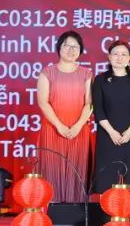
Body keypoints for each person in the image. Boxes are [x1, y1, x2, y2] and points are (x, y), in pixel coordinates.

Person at [36, 30, 94, 203]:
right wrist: (59, 125)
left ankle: (76, 213)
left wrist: (78, 125)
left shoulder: (86, 73)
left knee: (77, 172)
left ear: (80, 50)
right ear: (59, 48)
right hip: (53, 129)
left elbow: (89, 104)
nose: (71, 50)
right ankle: (51, 213)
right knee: (52, 170)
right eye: (67, 45)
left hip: (79, 130)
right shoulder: (47, 73)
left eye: (75, 46)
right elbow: (43, 103)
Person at [91, 40, 130, 193]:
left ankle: (126, 207)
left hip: (129, 136)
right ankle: (105, 207)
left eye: (123, 54)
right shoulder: (100, 80)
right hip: (107, 135)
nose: (119, 57)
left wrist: (129, 132)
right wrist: (112, 132)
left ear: (129, 58)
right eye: (115, 54)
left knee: (128, 177)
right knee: (106, 178)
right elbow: (98, 109)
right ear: (109, 57)